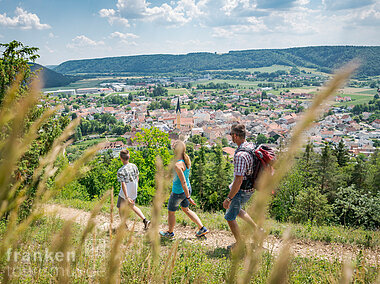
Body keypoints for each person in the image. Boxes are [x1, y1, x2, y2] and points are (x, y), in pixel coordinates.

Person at [160, 140, 208, 239]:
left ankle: (170, 232)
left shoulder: (178, 165)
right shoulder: (187, 159)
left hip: (179, 192)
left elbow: (183, 182)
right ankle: (202, 228)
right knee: (186, 209)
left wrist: (188, 197)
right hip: (187, 189)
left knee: (171, 212)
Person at [223, 124, 258, 247]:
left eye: (231, 135)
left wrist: (229, 198)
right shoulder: (251, 146)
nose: (231, 137)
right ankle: (258, 230)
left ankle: (240, 244)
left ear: (236, 136)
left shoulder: (240, 156)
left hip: (242, 189)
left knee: (229, 217)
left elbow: (238, 180)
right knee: (237, 210)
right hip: (251, 186)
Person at [117, 149, 150, 230]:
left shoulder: (121, 170)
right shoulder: (134, 166)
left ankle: (124, 226)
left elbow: (123, 184)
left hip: (125, 194)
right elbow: (137, 178)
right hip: (133, 191)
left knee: (120, 208)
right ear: (129, 157)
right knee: (133, 206)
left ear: (121, 158)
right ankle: (145, 220)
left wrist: (127, 197)